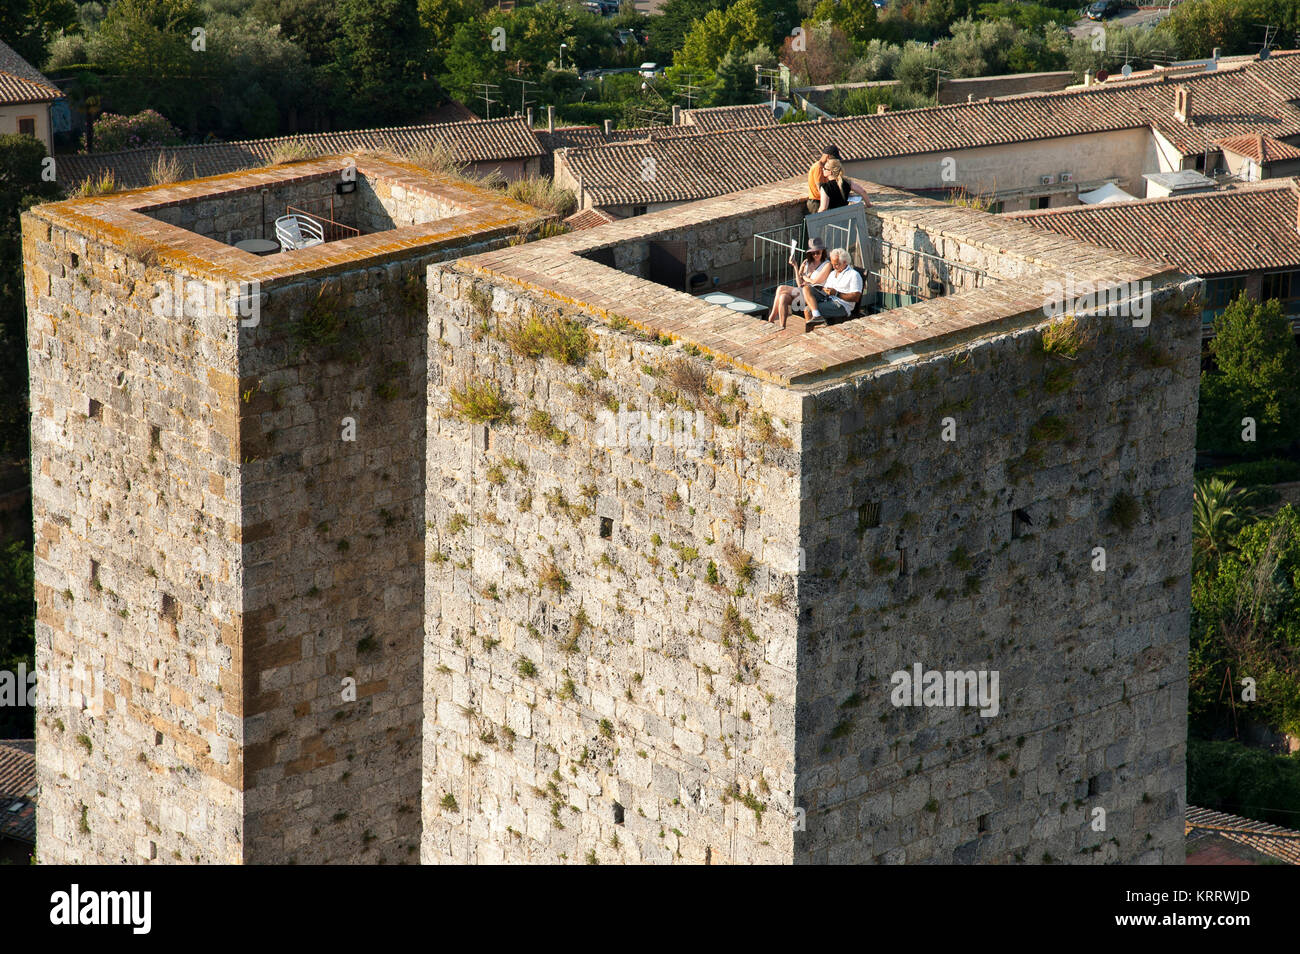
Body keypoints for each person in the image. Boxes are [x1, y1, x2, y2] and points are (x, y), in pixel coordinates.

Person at [787, 247, 862, 327]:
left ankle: (813, 332)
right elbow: (826, 288)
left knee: (808, 310)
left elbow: (856, 297)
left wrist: (836, 293)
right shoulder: (833, 273)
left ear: (844, 262)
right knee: (806, 289)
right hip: (828, 298)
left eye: (836, 264)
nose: (833, 267)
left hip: (841, 305)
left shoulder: (853, 275)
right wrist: (820, 288)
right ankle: (817, 318)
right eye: (832, 264)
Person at [769, 237, 831, 325]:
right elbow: (799, 284)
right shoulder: (806, 262)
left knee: (781, 288)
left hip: (816, 294)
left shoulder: (827, 264)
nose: (816, 255)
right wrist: (795, 266)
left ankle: (771, 318)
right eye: (813, 253)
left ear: (823, 252)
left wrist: (805, 277)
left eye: (818, 252)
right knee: (783, 297)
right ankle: (782, 326)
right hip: (803, 291)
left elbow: (815, 282)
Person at [806, 145, 841, 213]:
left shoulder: (823, 167)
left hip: (820, 200)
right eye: (834, 158)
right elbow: (820, 187)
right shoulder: (818, 167)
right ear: (828, 156)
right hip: (816, 202)